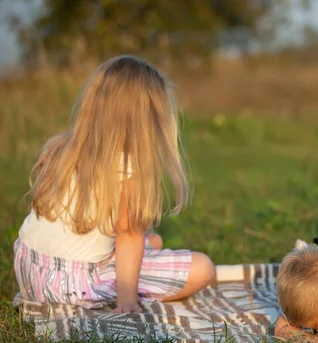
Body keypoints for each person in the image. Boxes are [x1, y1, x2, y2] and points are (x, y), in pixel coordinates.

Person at [13, 55, 215, 314]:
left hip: (30, 272)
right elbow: (128, 235)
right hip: (74, 284)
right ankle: (117, 292)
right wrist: (127, 301)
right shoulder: (126, 166)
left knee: (151, 241)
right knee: (202, 267)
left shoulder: (60, 148)